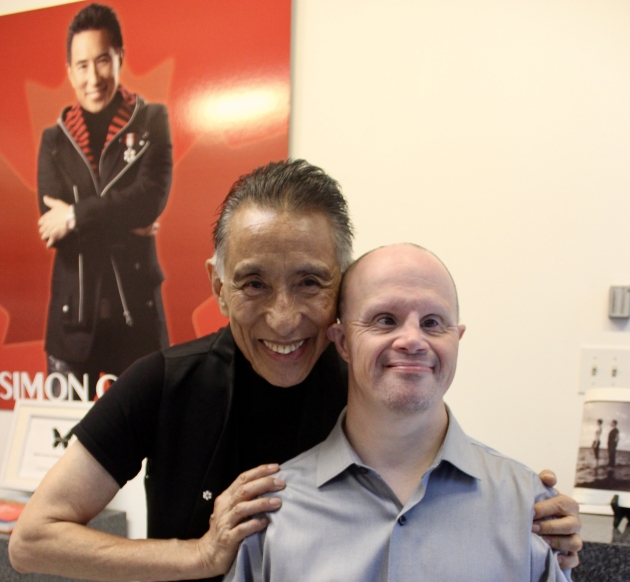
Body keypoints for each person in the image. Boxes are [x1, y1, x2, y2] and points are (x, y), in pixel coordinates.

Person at [10, 160, 581, 582]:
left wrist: (526, 520)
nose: (284, 320)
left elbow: (442, 479)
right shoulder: (162, 383)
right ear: (218, 286)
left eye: (310, 282)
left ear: (344, 288)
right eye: (253, 283)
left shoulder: (368, 379)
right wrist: (201, 554)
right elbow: (32, 541)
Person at [225, 244, 569, 582]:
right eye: (385, 320)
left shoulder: (529, 509)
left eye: (433, 323)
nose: (413, 340)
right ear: (342, 341)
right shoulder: (273, 513)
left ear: (457, 338)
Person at [36, 3, 172, 397]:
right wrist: (125, 220)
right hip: (71, 329)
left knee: (148, 448)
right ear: (69, 71)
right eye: (81, 65)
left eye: (102, 60)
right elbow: (52, 228)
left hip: (138, 325)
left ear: (119, 58)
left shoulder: (151, 121)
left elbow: (149, 200)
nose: (92, 77)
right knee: (67, 448)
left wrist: (77, 214)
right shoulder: (54, 140)